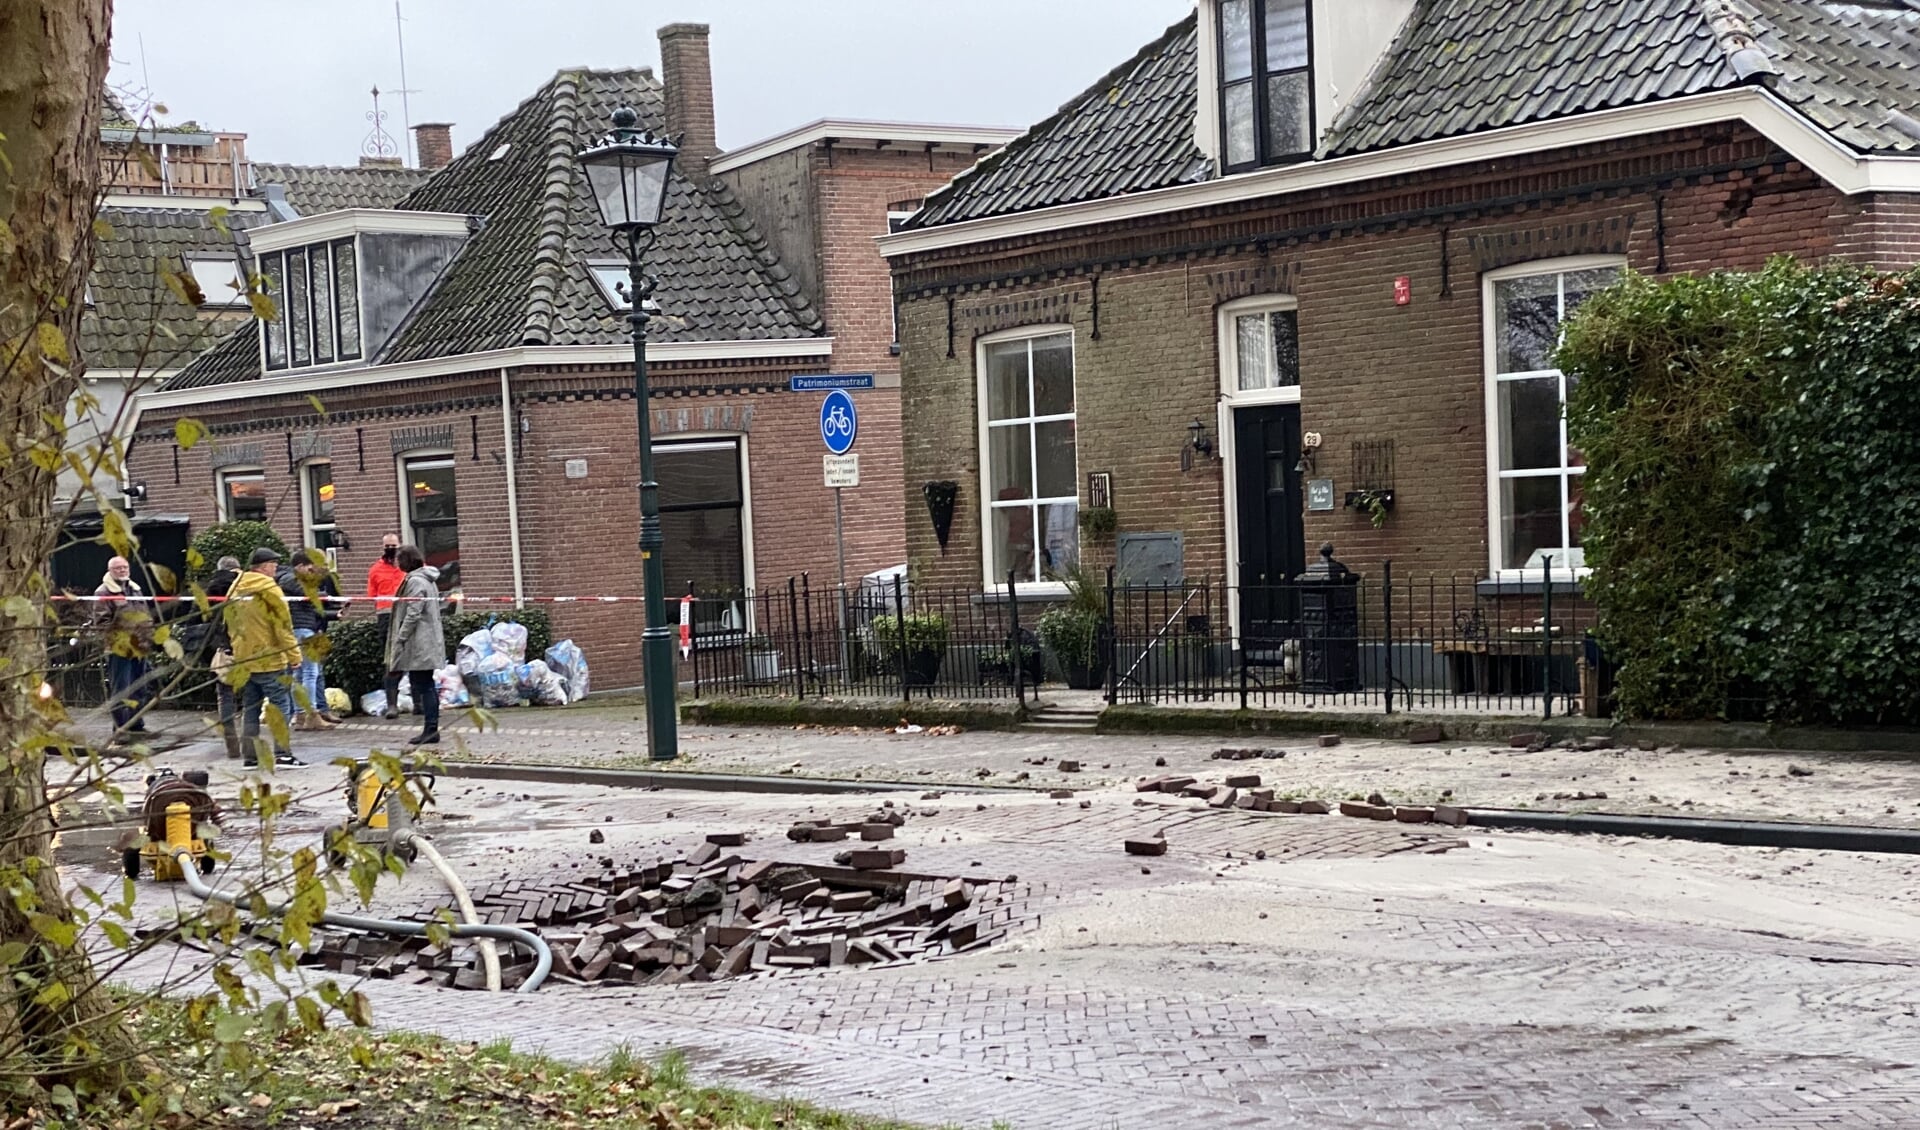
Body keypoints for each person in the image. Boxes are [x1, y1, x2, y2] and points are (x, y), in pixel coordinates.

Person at [222, 547, 305, 768]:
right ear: (264, 566)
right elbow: (282, 626)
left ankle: (250, 756)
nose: (275, 569)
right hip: (270, 659)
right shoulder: (270, 589)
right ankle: (282, 753)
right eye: (274, 565)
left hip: (245, 659)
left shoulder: (235, 587)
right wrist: (294, 654)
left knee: (250, 707)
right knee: (280, 706)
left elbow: (229, 622)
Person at [384, 545, 446, 747]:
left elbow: (413, 613)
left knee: (425, 685)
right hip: (424, 641)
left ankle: (430, 730)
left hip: (420, 643)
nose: (396, 563)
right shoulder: (425, 580)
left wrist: (401, 637)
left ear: (407, 560)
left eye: (399, 559)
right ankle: (430, 728)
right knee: (425, 684)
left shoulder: (416, 582)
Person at [93, 556, 153, 740]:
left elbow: (145, 614)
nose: (122, 570)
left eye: (125, 567)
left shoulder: (136, 589)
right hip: (119, 650)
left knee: (139, 688)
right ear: (110, 570)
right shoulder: (103, 592)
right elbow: (101, 623)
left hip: (140, 647)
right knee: (121, 690)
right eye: (118, 568)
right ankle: (120, 730)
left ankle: (136, 725)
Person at [279, 553, 341, 730]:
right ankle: (310, 714)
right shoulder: (290, 579)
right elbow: (309, 594)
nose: (311, 571)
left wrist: (333, 613)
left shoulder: (292, 581)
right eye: (309, 567)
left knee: (300, 674)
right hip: (301, 629)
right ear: (299, 566)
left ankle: (300, 715)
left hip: (303, 628)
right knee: (310, 673)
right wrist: (325, 595)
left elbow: (310, 605)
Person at [366, 533, 405, 718]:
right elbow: (372, 594)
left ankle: (420, 702)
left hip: (406, 614)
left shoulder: (408, 567)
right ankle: (392, 705)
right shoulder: (375, 569)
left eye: (393, 545)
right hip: (386, 616)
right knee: (390, 659)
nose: (391, 548)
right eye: (387, 545)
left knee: (414, 657)